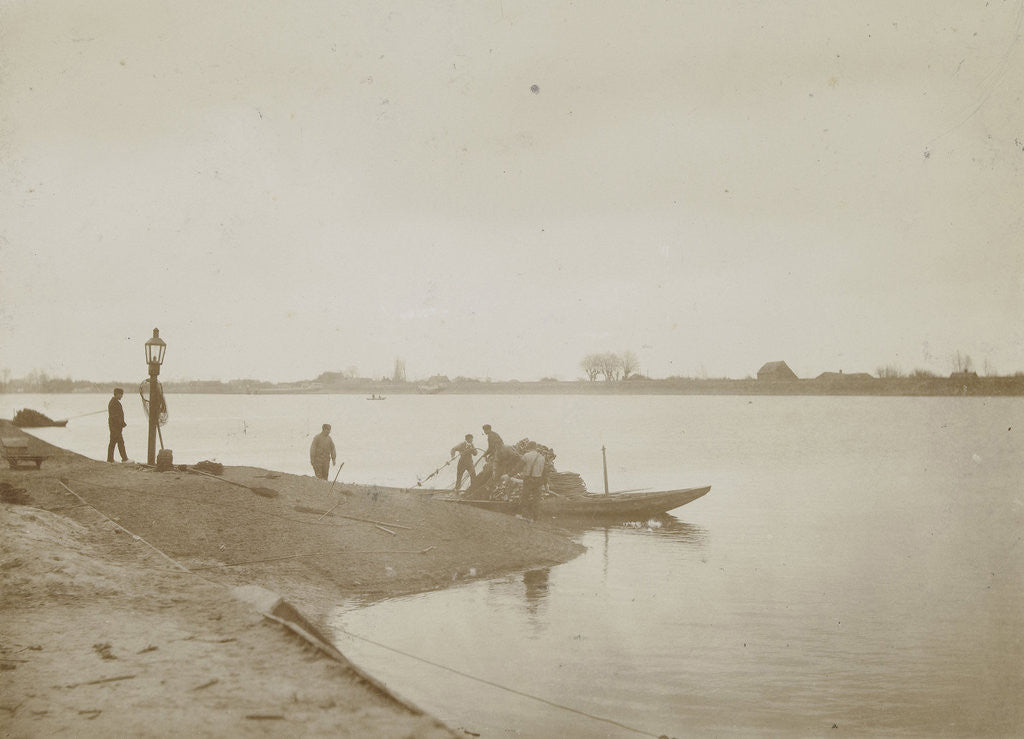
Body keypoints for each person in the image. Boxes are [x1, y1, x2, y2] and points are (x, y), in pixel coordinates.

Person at [519, 441, 547, 520]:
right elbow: (544, 472)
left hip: (528, 479)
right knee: (536, 499)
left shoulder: (526, 456)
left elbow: (519, 467)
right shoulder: (542, 457)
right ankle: (535, 517)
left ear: (529, 447)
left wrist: (509, 475)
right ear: (535, 448)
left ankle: (525, 515)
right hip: (538, 480)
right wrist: (546, 483)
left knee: (525, 497)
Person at [107, 387, 129, 463]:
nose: (122, 396)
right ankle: (124, 459)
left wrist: (122, 423)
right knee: (119, 442)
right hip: (115, 427)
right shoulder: (114, 402)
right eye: (121, 394)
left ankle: (110, 459)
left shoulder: (113, 401)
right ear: (117, 394)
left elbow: (116, 415)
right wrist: (121, 423)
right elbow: (115, 416)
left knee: (114, 442)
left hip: (114, 426)